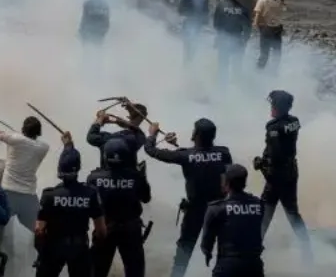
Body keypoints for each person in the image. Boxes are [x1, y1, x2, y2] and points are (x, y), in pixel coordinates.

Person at [145, 118, 232, 277]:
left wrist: (152, 134)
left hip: (196, 210)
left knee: (185, 249)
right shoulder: (224, 153)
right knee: (226, 248)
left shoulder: (185, 156)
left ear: (196, 134)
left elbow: (151, 151)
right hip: (220, 208)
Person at [35, 139, 105, 277]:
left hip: (53, 247)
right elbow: (101, 230)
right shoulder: (89, 193)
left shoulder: (49, 194)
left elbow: (39, 229)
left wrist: (42, 249)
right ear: (78, 168)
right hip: (79, 249)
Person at [256, 90, 311, 258]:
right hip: (291, 171)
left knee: (264, 212)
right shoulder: (294, 121)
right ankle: (307, 250)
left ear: (278, 107)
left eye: (273, 105)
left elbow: (276, 154)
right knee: (292, 212)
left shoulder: (273, 128)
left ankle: (254, 250)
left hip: (278, 175)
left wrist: (262, 165)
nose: (270, 107)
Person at [87, 139, 151, 277]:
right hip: (131, 230)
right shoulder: (136, 176)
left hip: (104, 229)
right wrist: (143, 176)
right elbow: (146, 198)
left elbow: (90, 206)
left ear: (105, 157)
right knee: (135, 272)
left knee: (97, 271)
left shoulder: (93, 178)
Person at [0, 114, 49, 235]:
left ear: (23, 129)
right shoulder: (44, 147)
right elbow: (28, 142)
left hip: (8, 193)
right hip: (29, 195)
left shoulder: (15, 139)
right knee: (28, 235)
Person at [200, 164, 264, 277]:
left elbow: (206, 241)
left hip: (228, 265)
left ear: (227, 183)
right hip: (254, 265)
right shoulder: (258, 204)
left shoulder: (216, 208)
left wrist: (207, 253)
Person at [212, 0, 250, 86]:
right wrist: (245, 40)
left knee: (223, 65)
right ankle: (236, 88)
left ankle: (222, 88)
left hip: (224, 40)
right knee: (237, 66)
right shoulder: (242, 8)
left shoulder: (220, 6)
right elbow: (247, 26)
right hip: (237, 40)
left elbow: (216, 24)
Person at [251, 0, 287, 71]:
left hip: (277, 29)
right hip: (266, 28)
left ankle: (273, 72)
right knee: (264, 54)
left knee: (277, 53)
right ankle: (259, 72)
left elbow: (283, 9)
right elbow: (258, 13)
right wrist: (256, 23)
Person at [176, 0, 209, 67]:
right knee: (194, 43)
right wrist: (204, 22)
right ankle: (192, 62)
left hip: (188, 21)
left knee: (187, 45)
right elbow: (206, 10)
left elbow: (180, 9)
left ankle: (186, 65)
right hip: (198, 23)